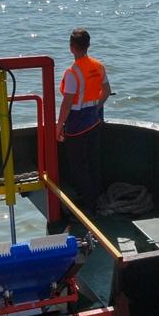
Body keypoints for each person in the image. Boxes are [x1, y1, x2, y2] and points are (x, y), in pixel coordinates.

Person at [56, 28, 110, 211]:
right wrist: (96, 107)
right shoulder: (99, 66)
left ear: (71, 48)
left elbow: (67, 103)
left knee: (79, 167)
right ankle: (96, 198)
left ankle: (88, 206)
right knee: (93, 162)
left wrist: (59, 126)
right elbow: (107, 91)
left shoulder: (72, 73)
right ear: (88, 45)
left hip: (77, 124)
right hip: (94, 120)